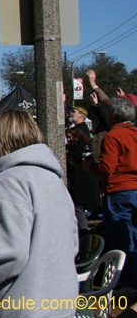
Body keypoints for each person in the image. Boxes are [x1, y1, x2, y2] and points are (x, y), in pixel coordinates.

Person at [0, 110, 78, 316]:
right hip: (58, 304)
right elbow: (72, 244)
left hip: (16, 307)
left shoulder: (8, 183)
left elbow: (2, 257)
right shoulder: (54, 181)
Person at [84, 97, 137, 289]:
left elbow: (107, 168)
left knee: (122, 239)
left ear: (113, 115)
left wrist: (90, 167)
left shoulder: (113, 136)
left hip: (119, 192)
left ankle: (128, 283)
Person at [66, 128, 100, 234]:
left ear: (76, 136)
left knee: (78, 207)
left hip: (80, 183)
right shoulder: (86, 147)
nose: (68, 140)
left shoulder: (76, 149)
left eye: (70, 137)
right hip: (87, 181)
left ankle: (83, 232)